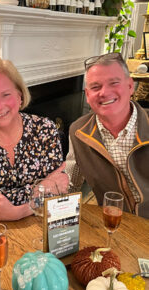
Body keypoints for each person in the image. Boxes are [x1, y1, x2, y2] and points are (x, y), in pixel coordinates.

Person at [0, 56, 68, 223]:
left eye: (6, 95)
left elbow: (58, 192)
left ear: (19, 96)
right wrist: (42, 188)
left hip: (42, 225)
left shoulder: (45, 129)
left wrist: (18, 211)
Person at [65, 53, 149, 218]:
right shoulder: (78, 132)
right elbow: (69, 185)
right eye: (95, 87)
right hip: (113, 225)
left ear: (130, 86)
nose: (104, 92)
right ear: (87, 95)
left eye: (114, 83)